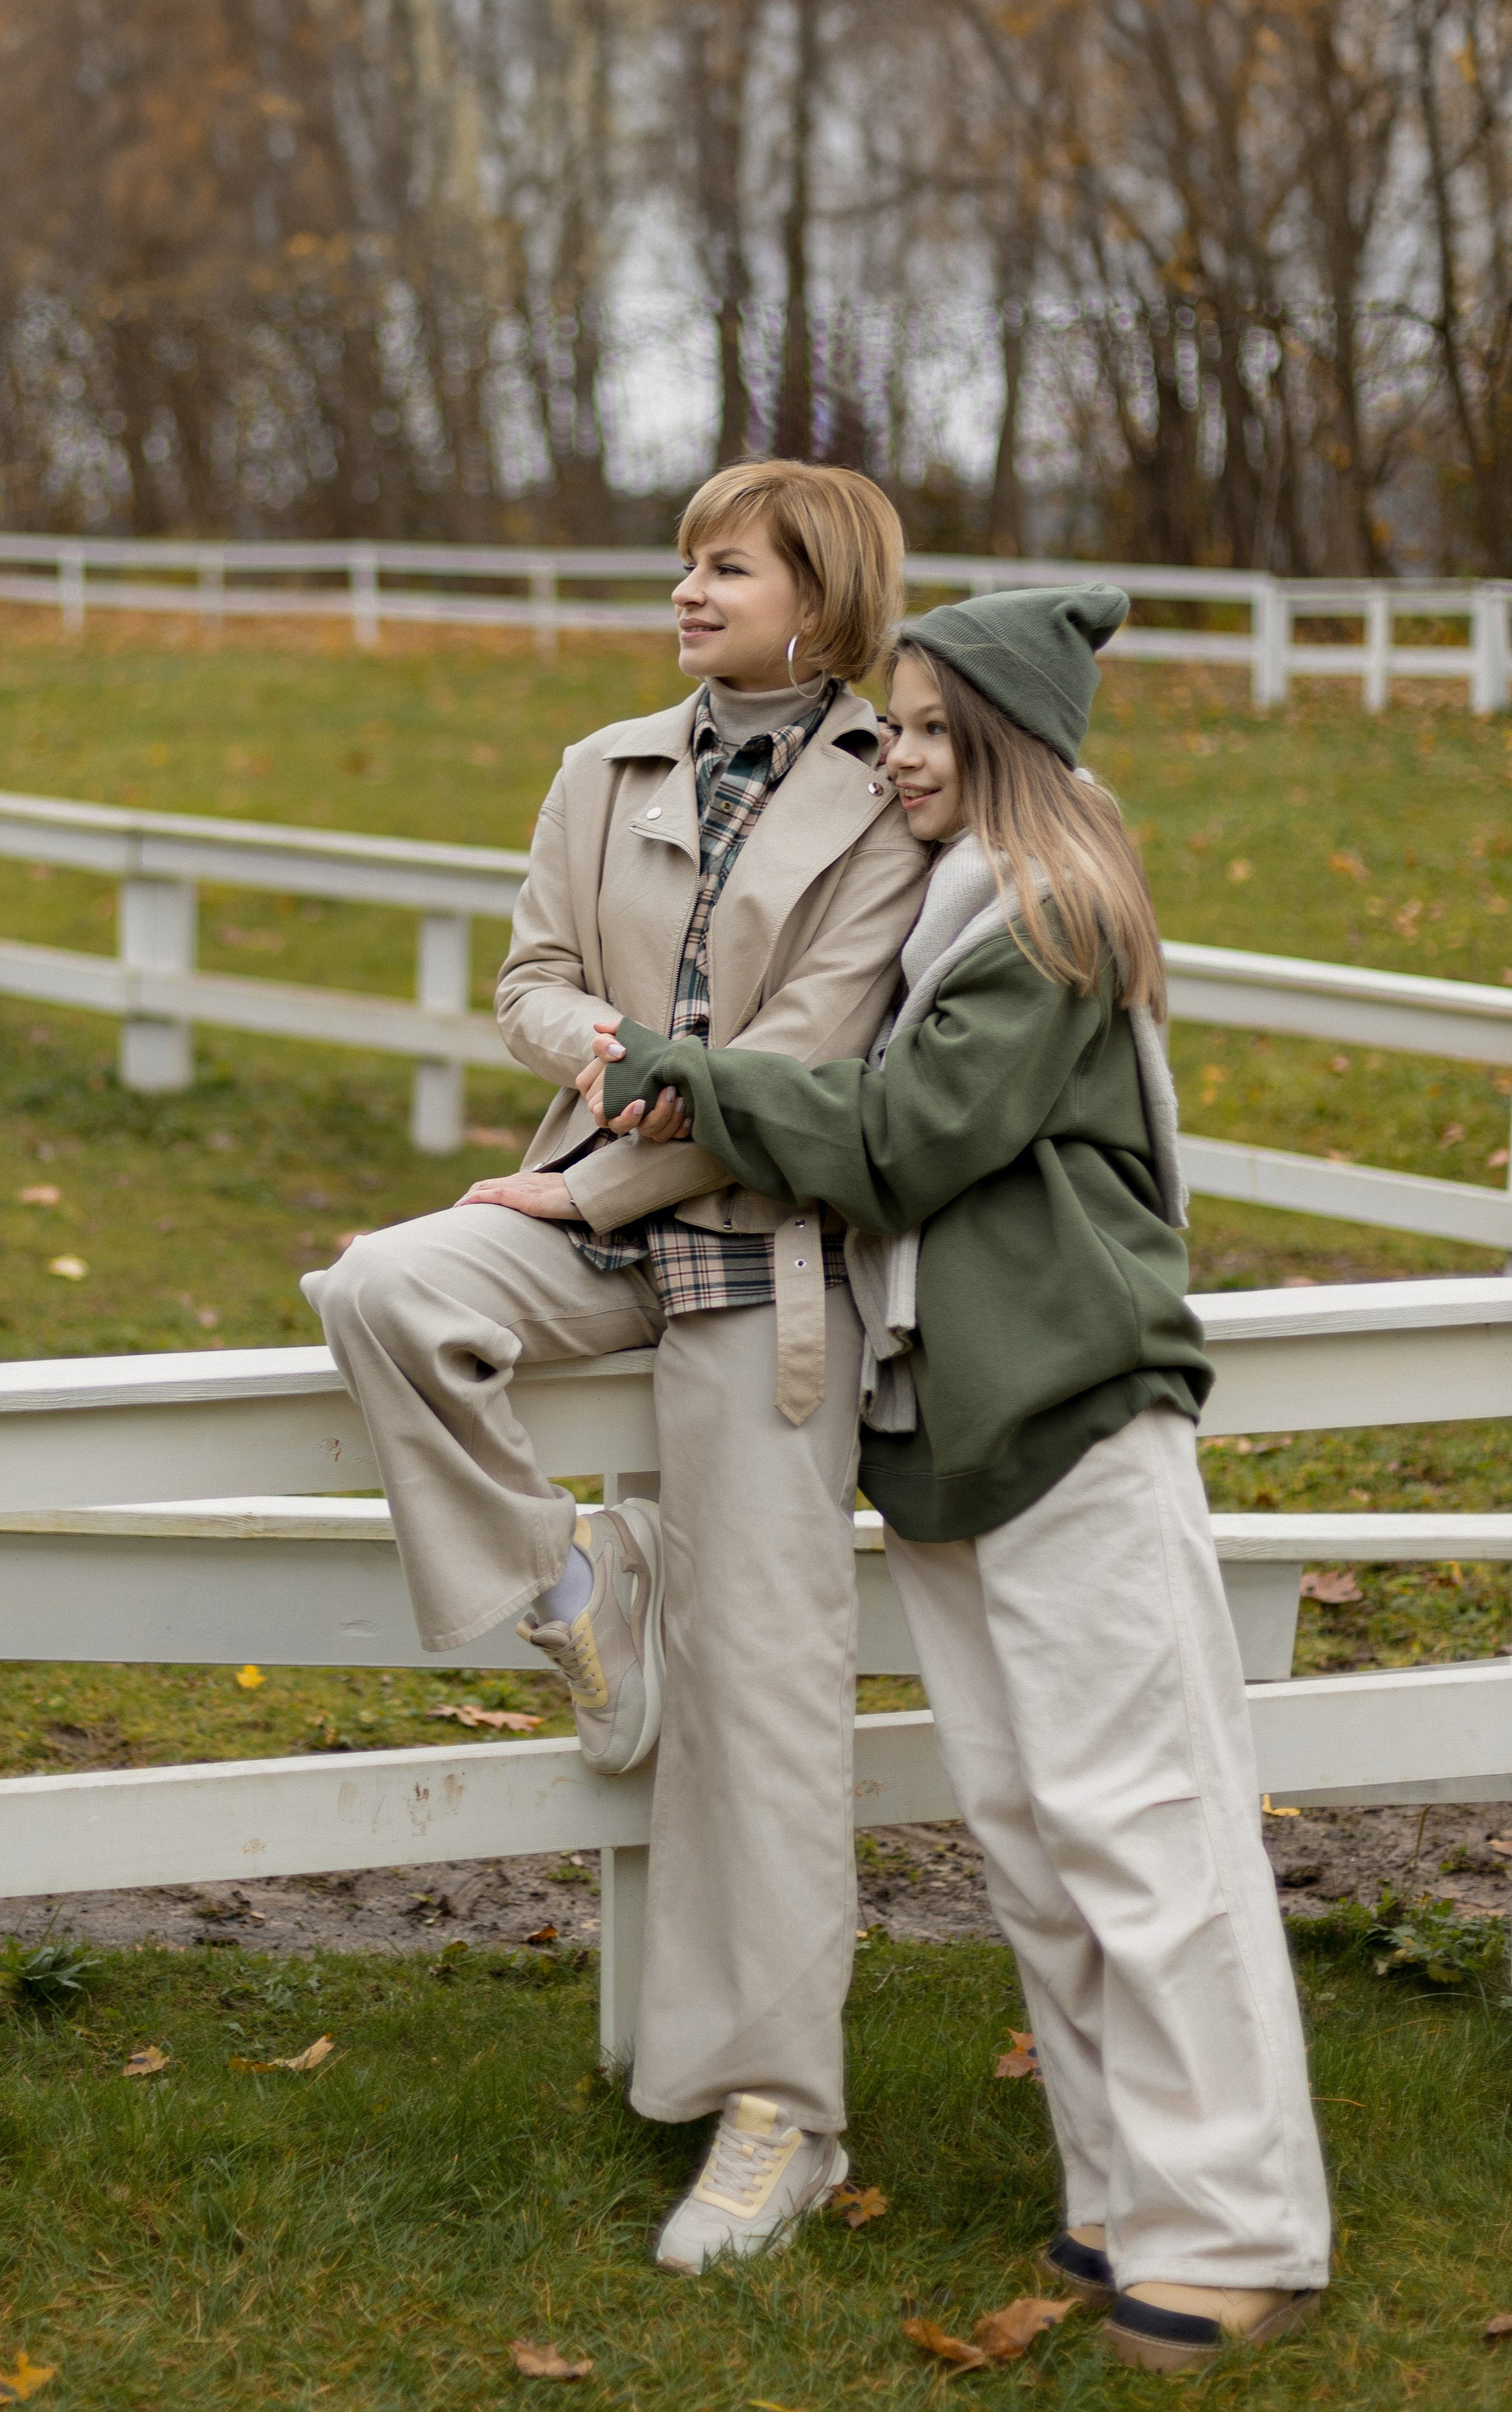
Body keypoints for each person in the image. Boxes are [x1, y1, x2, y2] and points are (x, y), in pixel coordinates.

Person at [581, 582, 1331, 2374]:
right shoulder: (946, 922)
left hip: (1070, 1412)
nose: (894, 756)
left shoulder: (1047, 916)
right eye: (891, 727)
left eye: (925, 730)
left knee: (1140, 1832)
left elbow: (906, 1144)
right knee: (1033, 1836)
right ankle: (1117, 2199)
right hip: (950, 1440)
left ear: (1002, 742)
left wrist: (691, 1078)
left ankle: (1236, 2231)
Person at [304, 460, 928, 2273]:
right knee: (382, 1292)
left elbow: (806, 1068)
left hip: (761, 1266)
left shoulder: (883, 800)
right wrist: (583, 1043)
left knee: (765, 1705)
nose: (684, 591)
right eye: (681, 564)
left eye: (721, 568)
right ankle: (573, 1586)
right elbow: (527, 975)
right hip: (587, 1204)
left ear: (812, 595)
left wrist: (596, 1170)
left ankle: (775, 2121)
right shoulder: (602, 768)